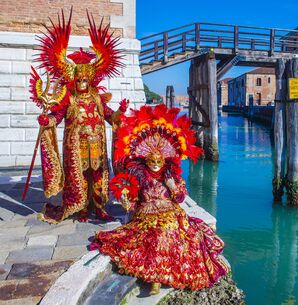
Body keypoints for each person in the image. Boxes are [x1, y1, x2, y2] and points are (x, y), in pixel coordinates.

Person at [90, 105, 229, 294]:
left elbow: (180, 197)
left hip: (171, 214)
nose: (155, 166)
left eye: (159, 162)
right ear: (145, 160)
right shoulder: (137, 176)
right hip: (146, 216)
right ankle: (156, 278)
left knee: (175, 235)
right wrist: (125, 201)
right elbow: (133, 202)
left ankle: (159, 277)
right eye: (151, 162)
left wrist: (171, 185)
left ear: (165, 160)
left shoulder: (171, 176)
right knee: (158, 237)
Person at [30, 9, 128, 223]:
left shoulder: (97, 97)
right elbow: (57, 115)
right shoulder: (68, 97)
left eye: (85, 80)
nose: (82, 83)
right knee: (79, 177)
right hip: (76, 147)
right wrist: (48, 121)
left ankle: (100, 208)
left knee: (98, 176)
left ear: (90, 80)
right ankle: (82, 208)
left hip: (97, 145)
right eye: (79, 80)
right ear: (74, 80)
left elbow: (110, 117)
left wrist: (120, 113)